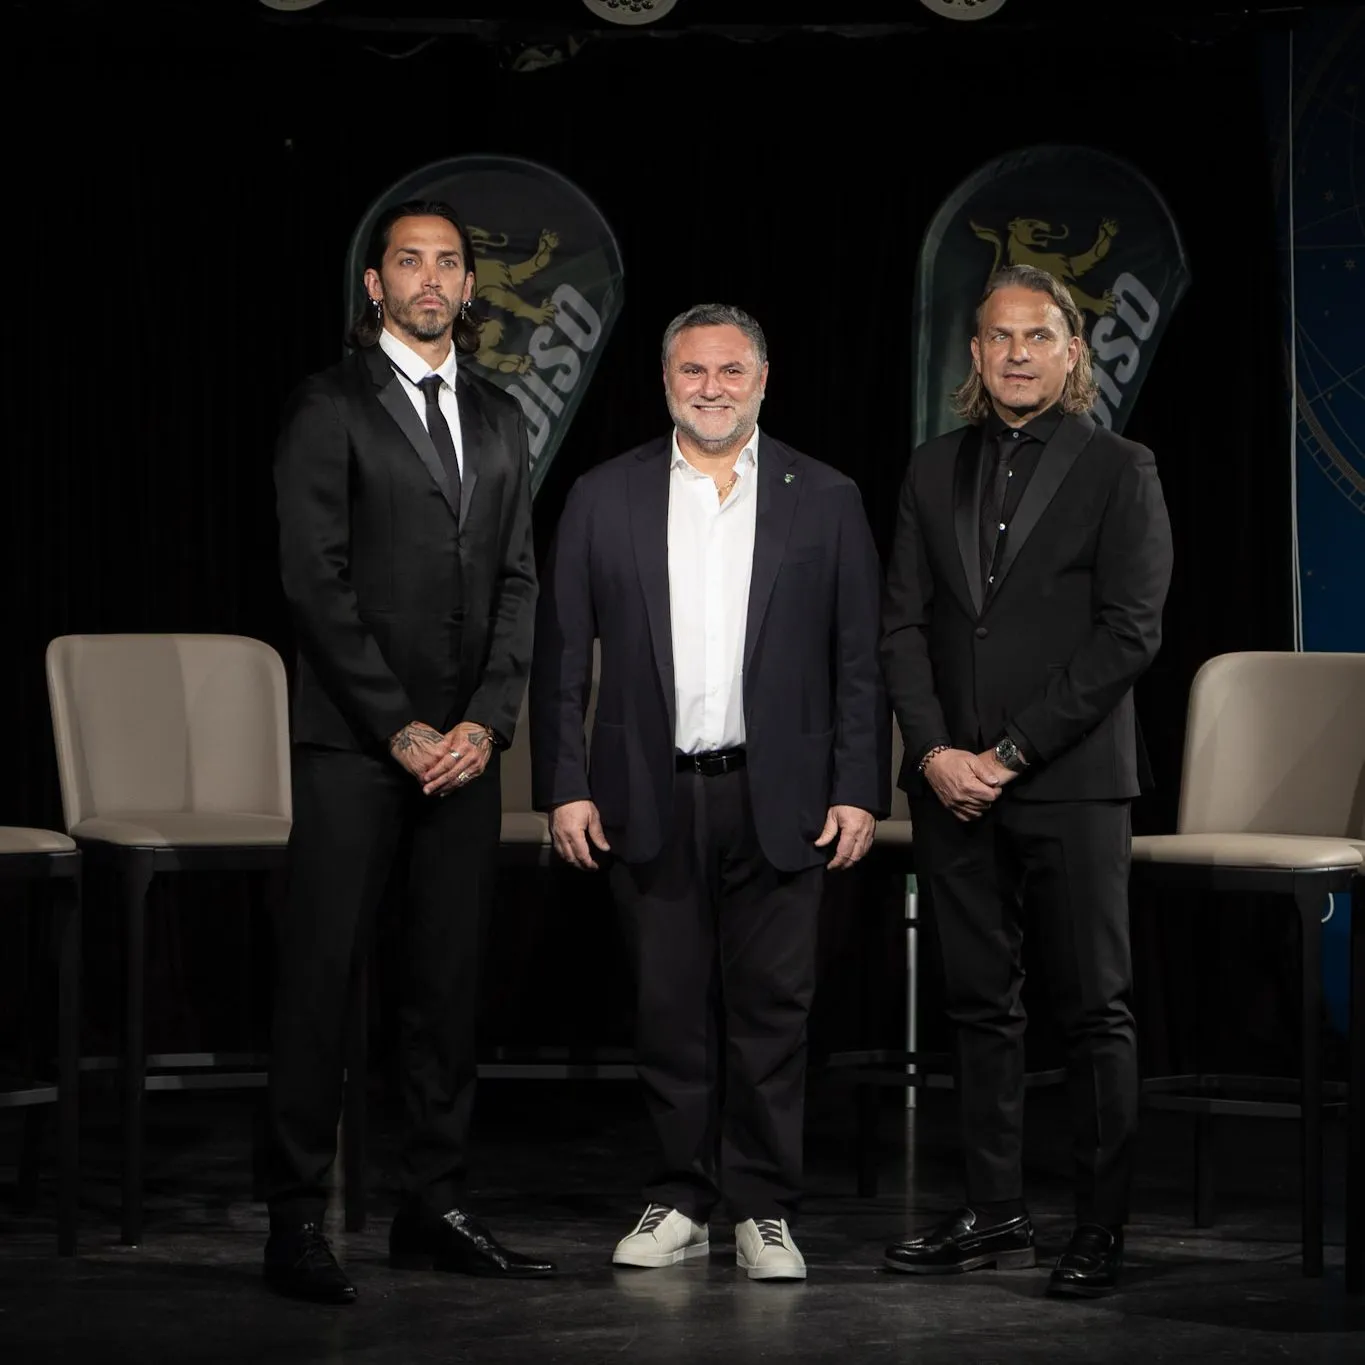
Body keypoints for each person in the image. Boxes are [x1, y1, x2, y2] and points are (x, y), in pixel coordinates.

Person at [530, 303, 888, 1281]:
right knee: (668, 1009)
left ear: (764, 380)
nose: (713, 386)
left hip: (784, 795)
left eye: (732, 371)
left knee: (775, 1011)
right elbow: (560, 657)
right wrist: (563, 786)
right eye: (694, 370)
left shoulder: (827, 496)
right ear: (666, 382)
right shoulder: (605, 496)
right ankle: (680, 1197)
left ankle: (765, 1210)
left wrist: (862, 784)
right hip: (649, 793)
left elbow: (861, 658)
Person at [266, 199, 550, 1304]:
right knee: (321, 980)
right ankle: (293, 1218)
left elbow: (519, 581)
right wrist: (402, 722)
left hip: (466, 755)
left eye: (449, 264)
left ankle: (433, 1205)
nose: (430, 279)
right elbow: (315, 585)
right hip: (355, 743)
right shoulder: (325, 406)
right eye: (408, 262)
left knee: (445, 984)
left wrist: (486, 721)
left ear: (470, 288)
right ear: (374, 286)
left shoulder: (500, 413)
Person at [879, 264, 1172, 1297]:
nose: (1015, 354)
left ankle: (1100, 1226)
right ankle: (995, 1211)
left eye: (1037, 337)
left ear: (1072, 350)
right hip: (949, 782)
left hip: (1071, 782)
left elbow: (1129, 636)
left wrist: (1010, 754)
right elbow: (903, 625)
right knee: (978, 1006)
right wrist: (932, 753)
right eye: (998, 337)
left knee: (1095, 1009)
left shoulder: (1121, 468)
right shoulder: (930, 470)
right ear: (974, 354)